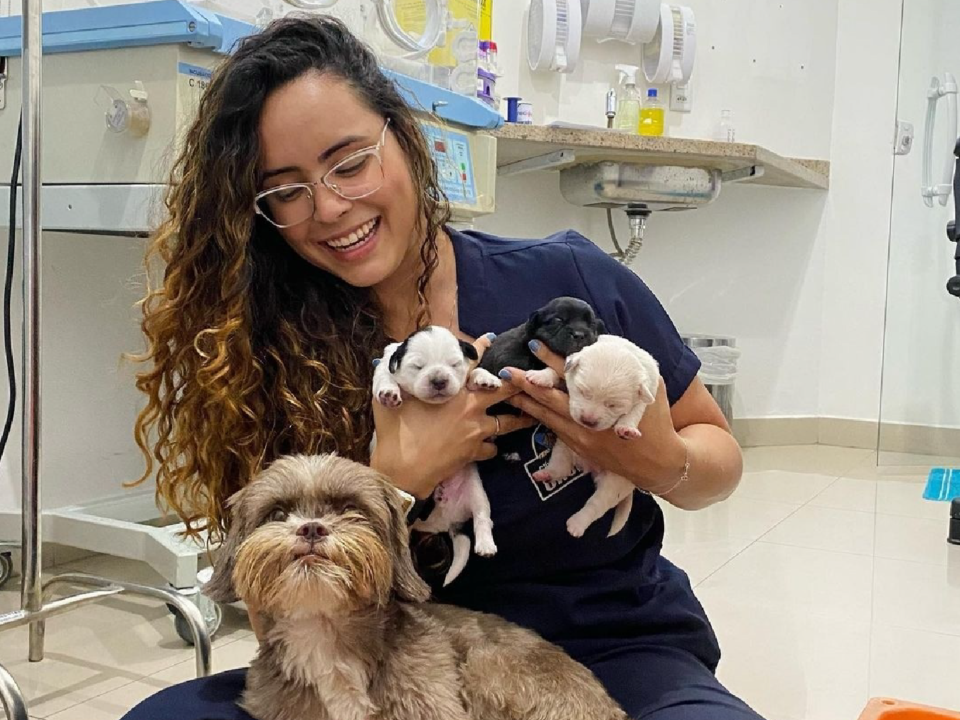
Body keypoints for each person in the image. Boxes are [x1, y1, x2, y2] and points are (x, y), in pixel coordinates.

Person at [123, 15, 759, 720]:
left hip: (612, 652)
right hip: (384, 663)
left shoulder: (563, 285)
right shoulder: (270, 354)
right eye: (286, 191)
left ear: (406, 135)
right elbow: (273, 592)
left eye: (350, 162)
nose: (330, 207)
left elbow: (717, 460)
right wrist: (393, 484)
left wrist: (654, 458)